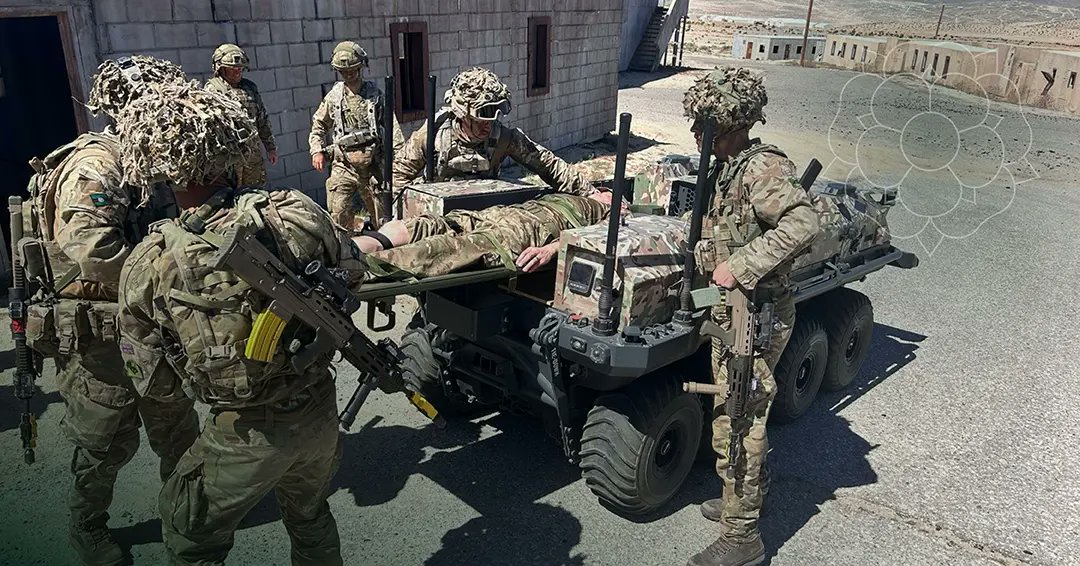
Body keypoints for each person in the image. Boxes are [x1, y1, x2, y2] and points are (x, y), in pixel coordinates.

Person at [116, 83, 359, 566]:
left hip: (245, 432)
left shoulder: (149, 261)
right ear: (232, 148)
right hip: (318, 414)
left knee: (191, 536)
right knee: (310, 518)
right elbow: (351, 273)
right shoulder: (297, 213)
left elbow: (155, 383)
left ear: (159, 170)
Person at [23, 55, 199, 566]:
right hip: (102, 333)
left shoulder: (144, 160)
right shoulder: (99, 164)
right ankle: (87, 526)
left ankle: (184, 519)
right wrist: (164, 282)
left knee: (178, 431)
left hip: (148, 328)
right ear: (133, 106)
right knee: (103, 444)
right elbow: (90, 250)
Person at [684, 67, 819, 566]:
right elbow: (728, 231)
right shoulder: (730, 166)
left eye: (703, 124)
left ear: (728, 122)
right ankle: (741, 498)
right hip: (734, 309)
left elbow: (804, 223)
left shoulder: (761, 169)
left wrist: (739, 266)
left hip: (756, 313)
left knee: (740, 416)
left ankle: (742, 538)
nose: (696, 135)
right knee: (733, 408)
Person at [392, 67, 597, 197]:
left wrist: (591, 193)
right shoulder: (432, 136)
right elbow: (397, 179)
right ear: (462, 114)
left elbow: (548, 165)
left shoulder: (503, 138)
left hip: (485, 214)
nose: (488, 126)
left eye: (494, 117)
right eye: (481, 120)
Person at [357, 193, 612, 278]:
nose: (606, 193)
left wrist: (551, 250)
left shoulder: (610, 213)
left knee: (451, 248)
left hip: (522, 232)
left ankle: (362, 267)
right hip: (501, 215)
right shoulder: (574, 195)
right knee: (426, 224)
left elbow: (597, 237)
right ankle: (348, 248)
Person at [308, 40, 403, 231]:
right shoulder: (334, 97)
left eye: (353, 70)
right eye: (344, 72)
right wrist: (316, 150)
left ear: (361, 67)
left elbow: (391, 126)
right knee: (338, 212)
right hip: (344, 165)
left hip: (373, 164)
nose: (349, 74)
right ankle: (346, 250)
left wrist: (400, 156)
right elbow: (319, 125)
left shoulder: (375, 95)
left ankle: (383, 249)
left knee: (382, 214)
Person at [204, 43, 277, 187]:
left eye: (240, 69)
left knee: (255, 194)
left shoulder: (249, 88)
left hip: (252, 155)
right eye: (232, 69)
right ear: (220, 69)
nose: (237, 72)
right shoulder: (213, 90)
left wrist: (271, 148)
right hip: (228, 157)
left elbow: (262, 120)